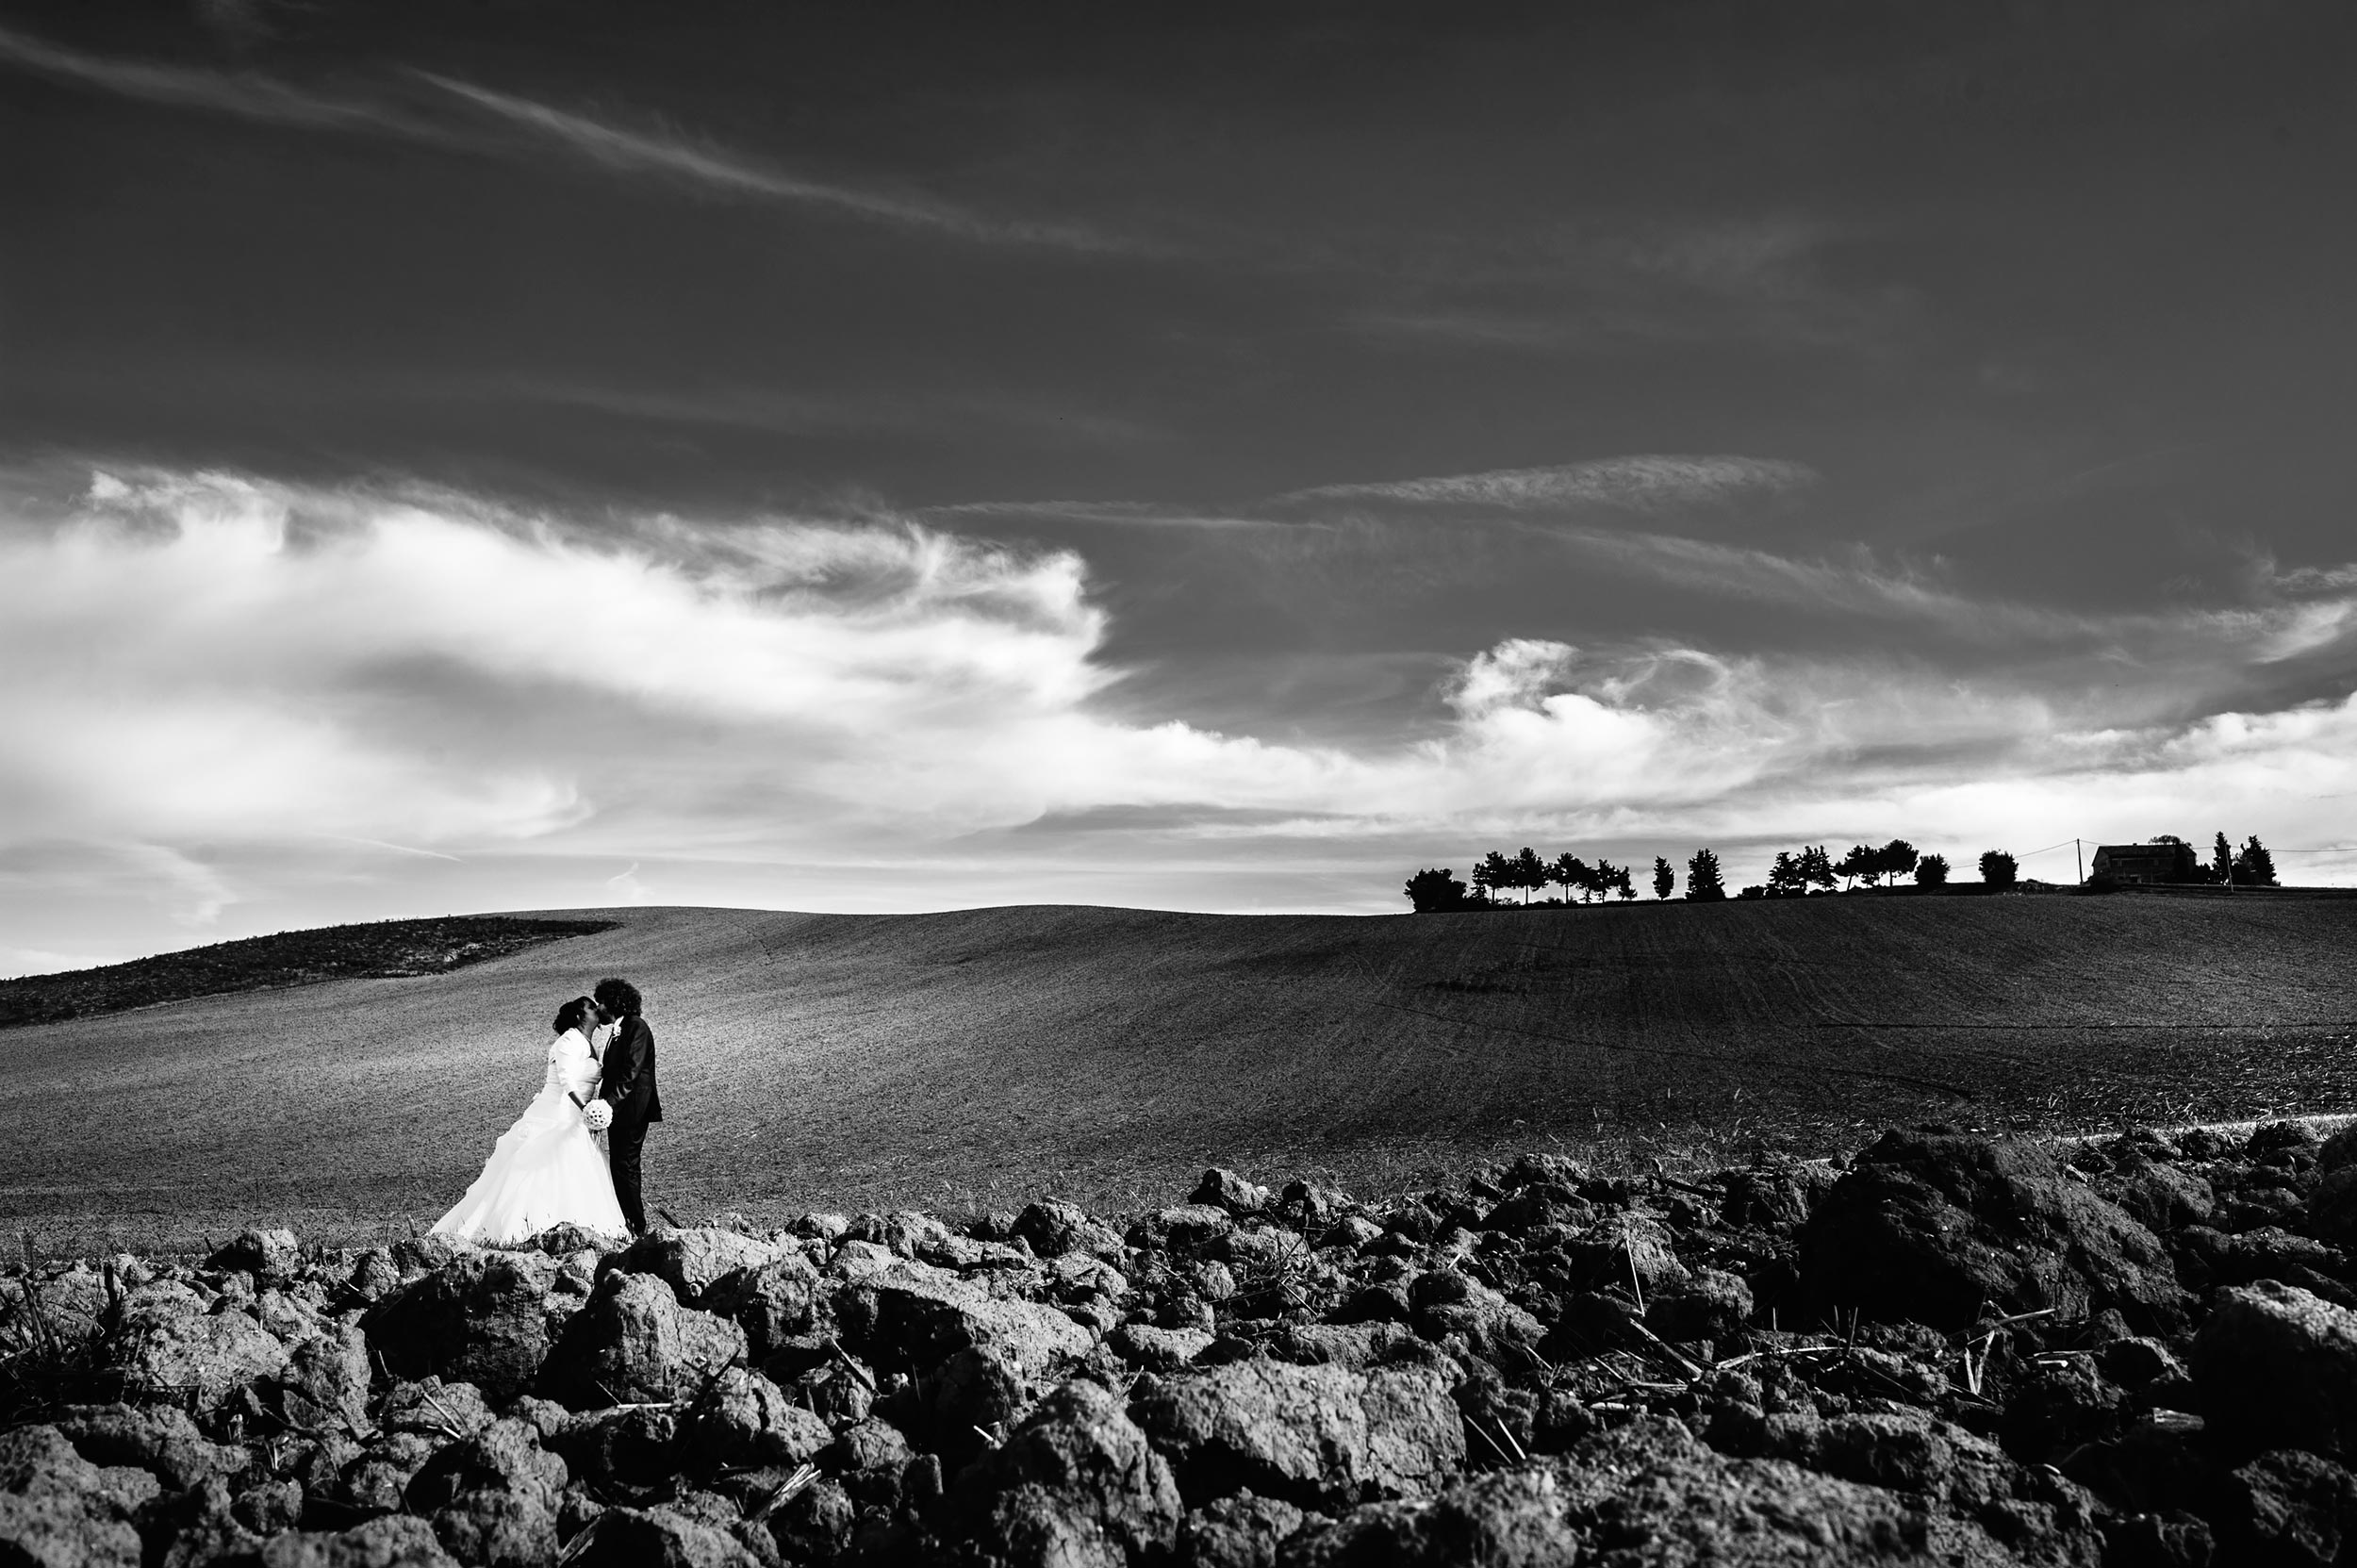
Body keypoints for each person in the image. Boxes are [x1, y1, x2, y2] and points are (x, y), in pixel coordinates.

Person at [431, 996, 630, 1245]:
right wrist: (586, 1109)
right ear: (580, 1016)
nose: (597, 1010)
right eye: (591, 1007)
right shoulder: (568, 1040)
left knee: (575, 1174)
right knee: (542, 1172)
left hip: (576, 1119)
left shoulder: (589, 1044)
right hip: (557, 1114)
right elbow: (567, 1079)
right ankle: (525, 1229)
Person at [593, 976, 662, 1236]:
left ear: (614, 1002)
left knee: (626, 1166)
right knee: (620, 1165)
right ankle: (628, 1222)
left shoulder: (636, 1027)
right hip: (620, 1111)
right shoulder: (618, 1030)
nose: (598, 1008)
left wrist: (606, 1106)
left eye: (601, 1002)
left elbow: (631, 1073)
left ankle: (637, 1225)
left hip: (632, 1110)